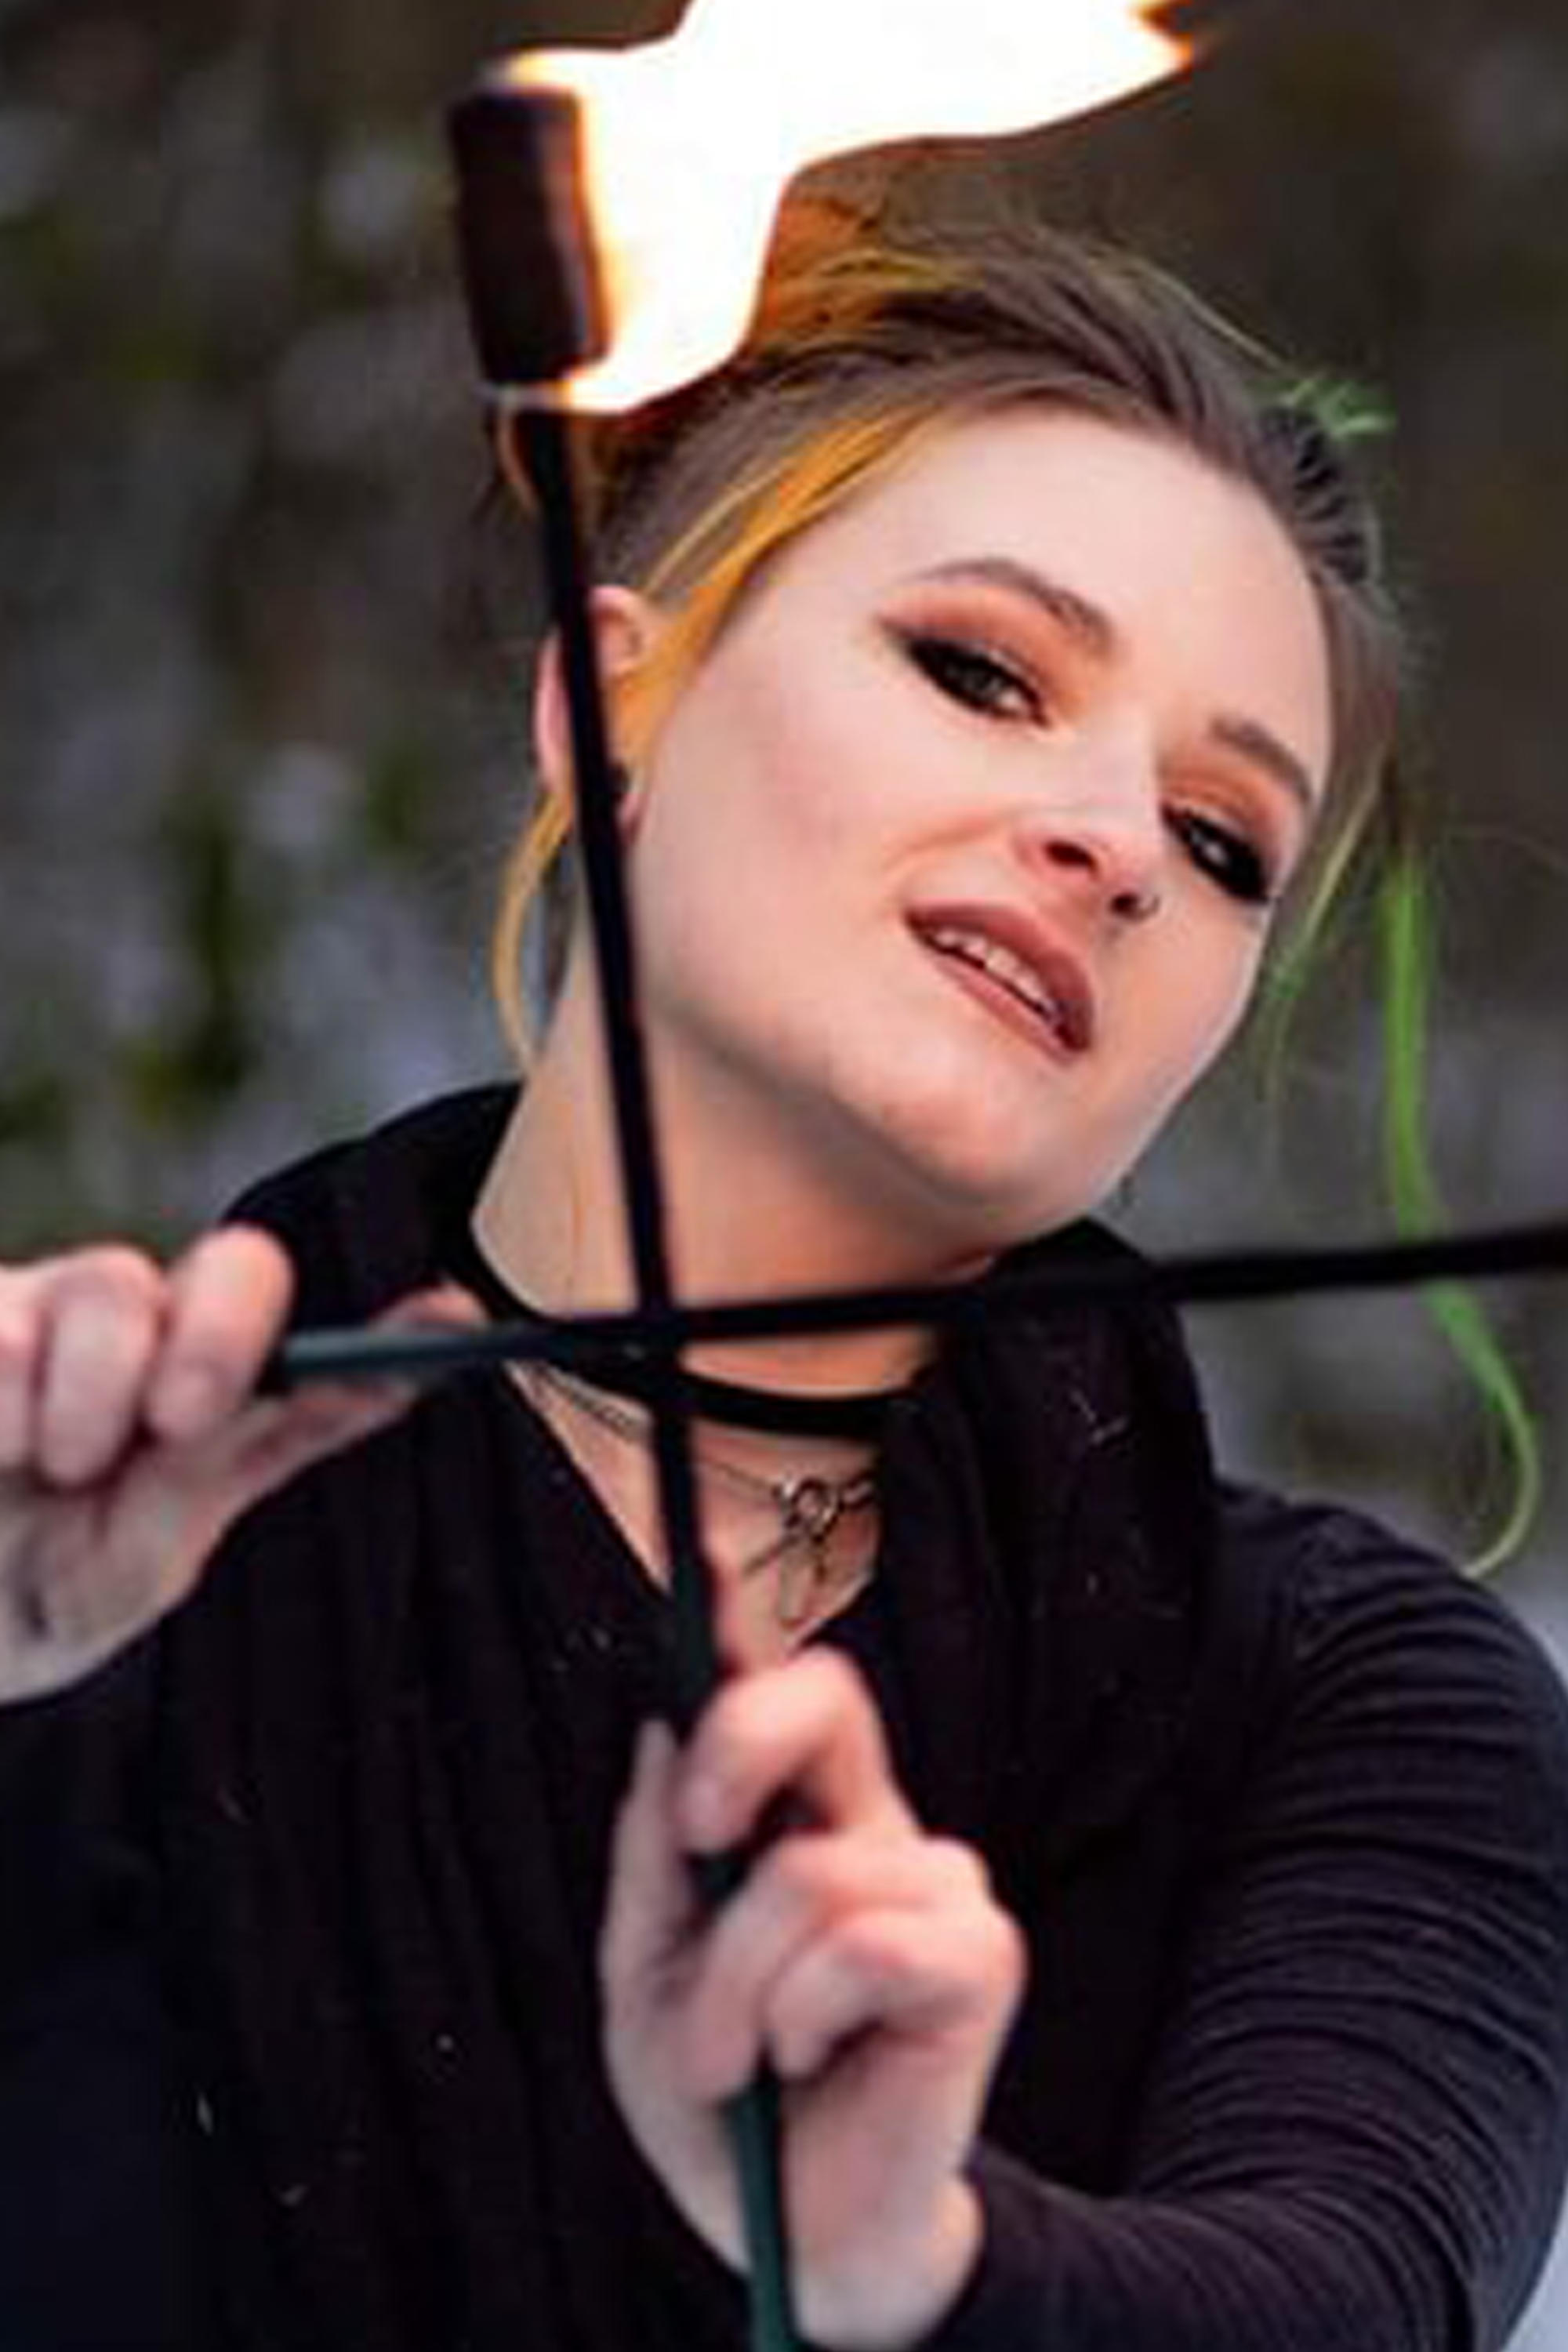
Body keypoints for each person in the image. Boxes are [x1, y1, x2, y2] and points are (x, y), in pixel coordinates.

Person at [0, 172, 1566, 2352]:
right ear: (606, 709)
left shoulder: (1351, 1699)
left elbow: (1350, 2292)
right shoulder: (82, 1559)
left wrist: (903, 2262)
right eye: (982, 671)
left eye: (1225, 840)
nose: (1118, 841)